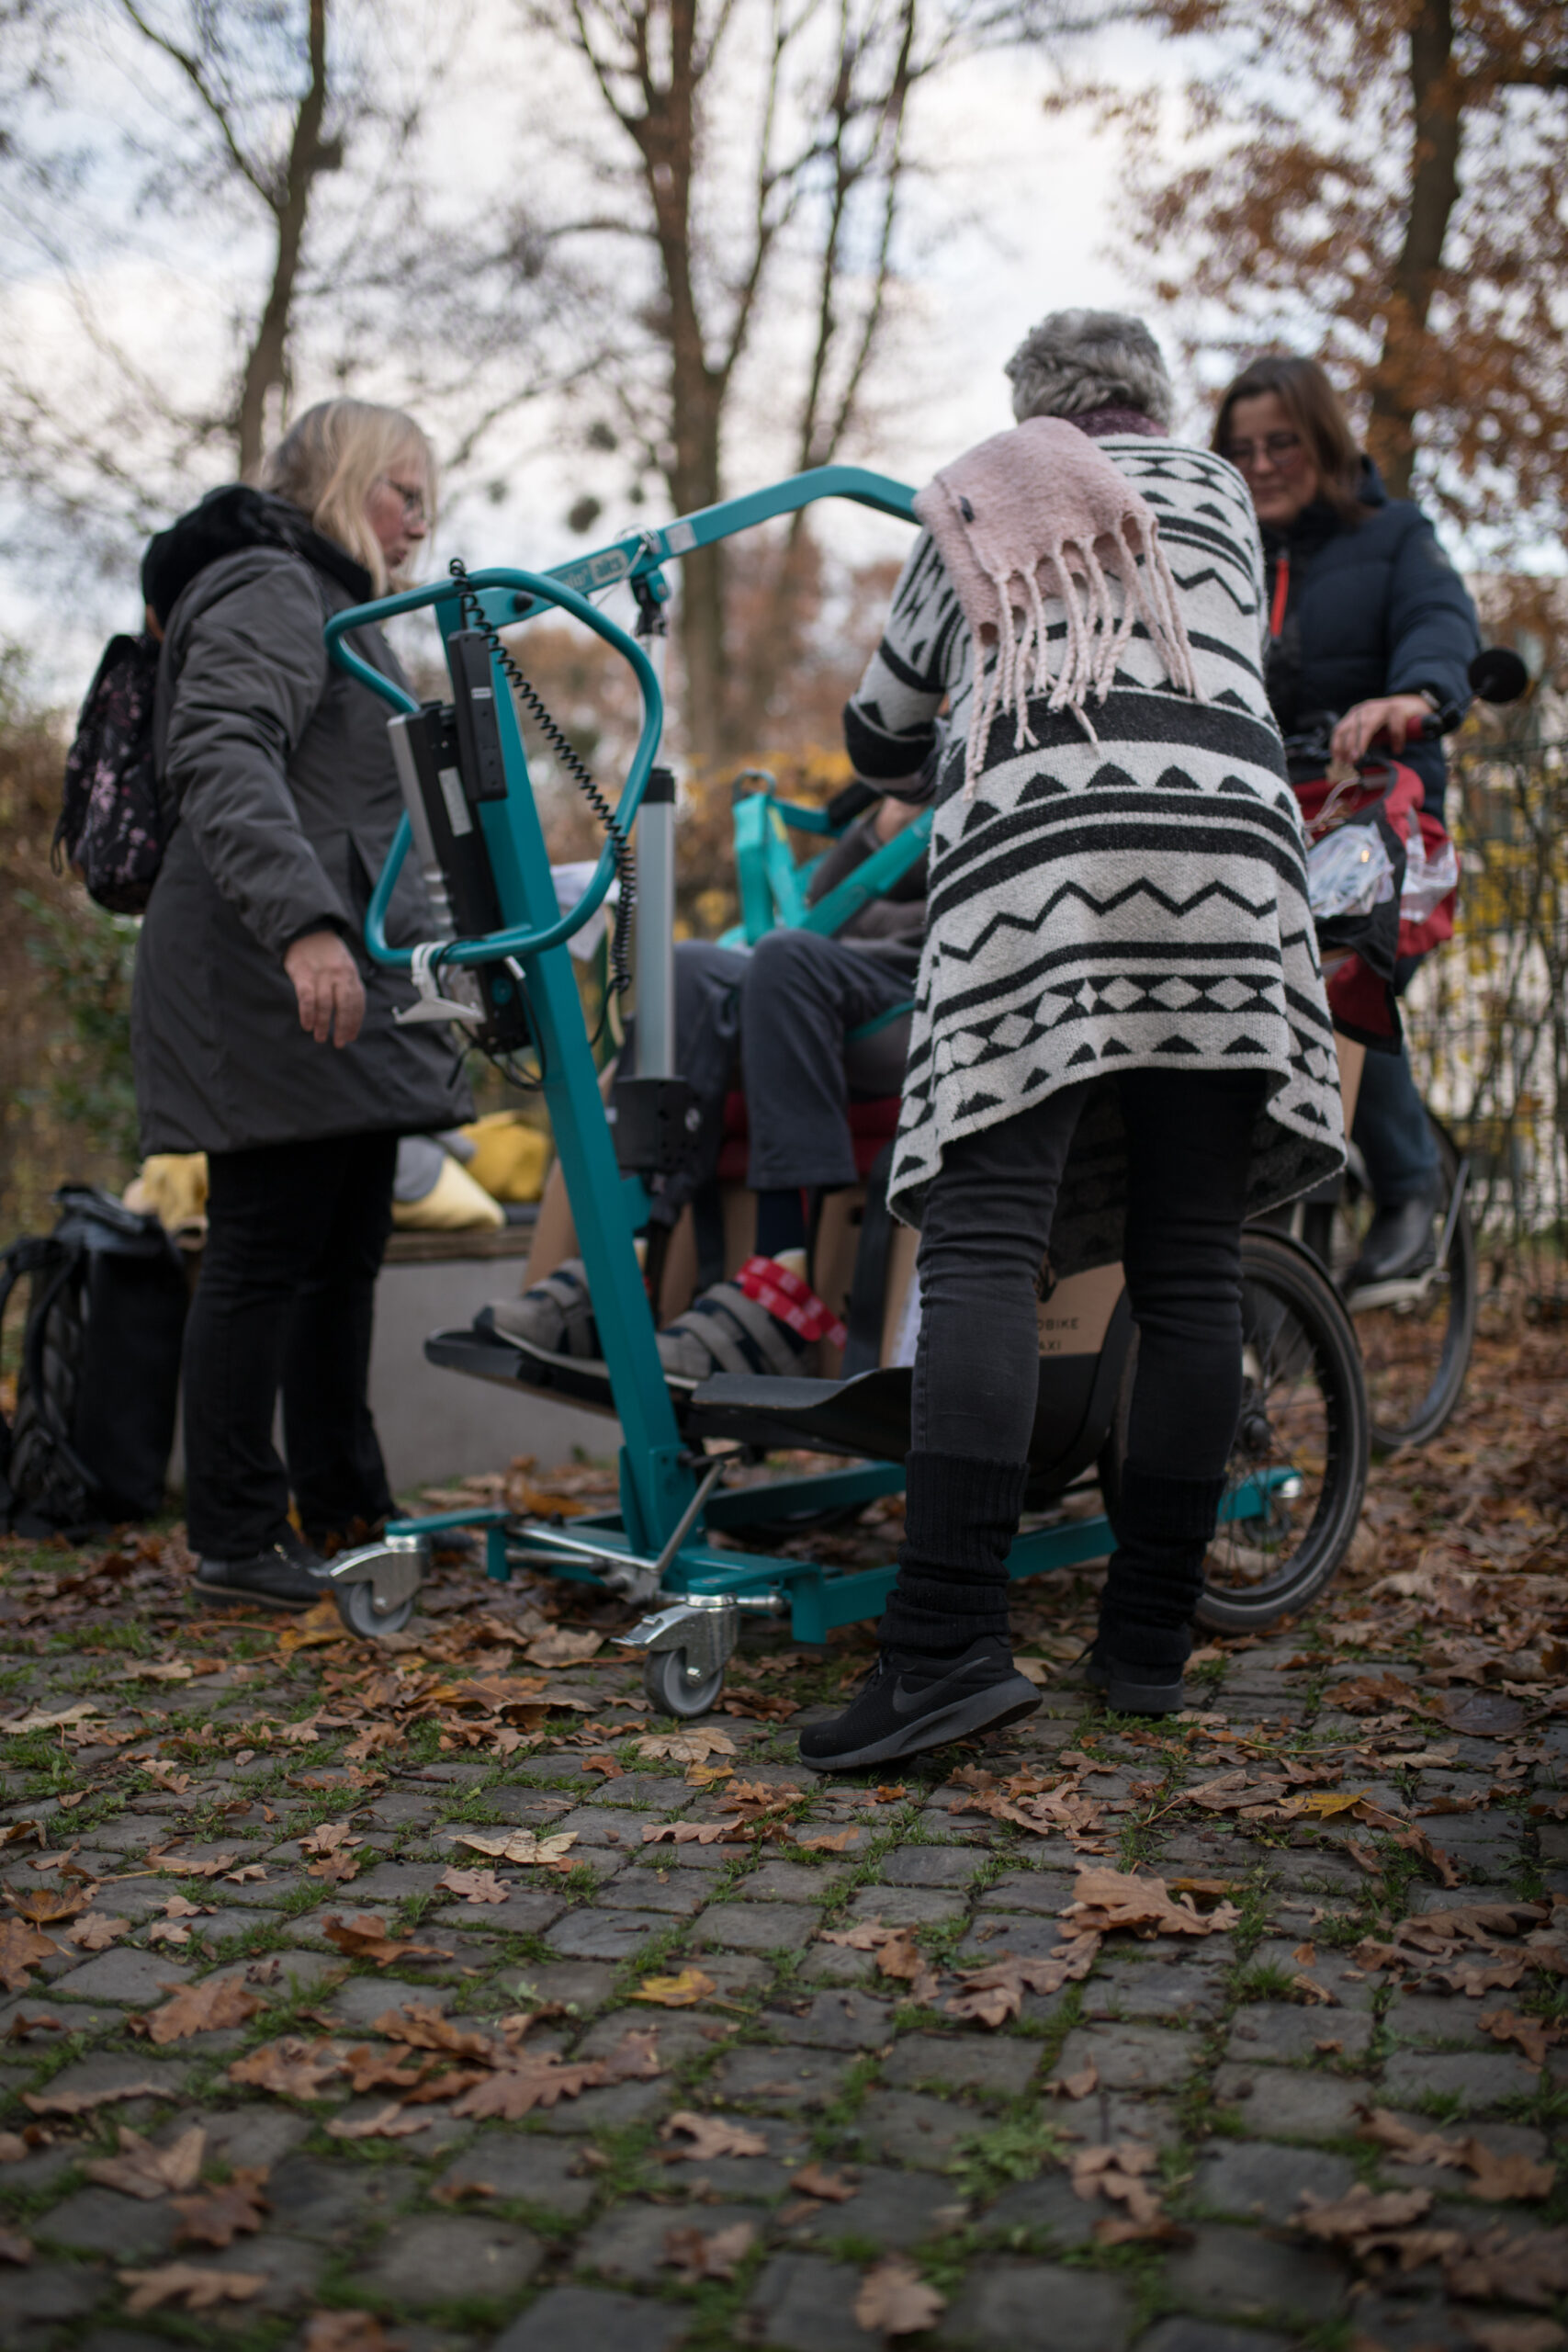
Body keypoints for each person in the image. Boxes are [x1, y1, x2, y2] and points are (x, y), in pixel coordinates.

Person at [800, 309, 1344, 1770]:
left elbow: (876, 734)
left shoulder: (974, 489)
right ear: (1150, 404)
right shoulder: (1218, 496)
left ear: (1028, 406)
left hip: (1044, 856)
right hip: (1229, 858)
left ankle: (942, 1650)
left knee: (985, 1244)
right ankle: (1146, 1638)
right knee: (1187, 1261)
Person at [132, 398, 472, 1611]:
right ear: (339, 481)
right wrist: (305, 926)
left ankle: (346, 1510)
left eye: (427, 501)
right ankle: (235, 1535)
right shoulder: (271, 585)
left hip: (336, 958)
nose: (418, 523)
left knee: (342, 1251)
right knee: (268, 1245)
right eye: (402, 492)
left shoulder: (339, 602)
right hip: (268, 962)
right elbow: (222, 752)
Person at [489, 789, 929, 1379]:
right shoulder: (919, 769)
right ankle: (626, 1267)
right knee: (686, 968)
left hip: (928, 981)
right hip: (838, 971)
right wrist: (881, 828)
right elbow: (825, 899)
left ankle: (783, 1286)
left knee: (786, 960)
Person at [1212, 355, 1479, 1283]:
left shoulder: (1397, 535)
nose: (1260, 465)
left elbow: (1441, 625)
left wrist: (1413, 696)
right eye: (1241, 449)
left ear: (1324, 442)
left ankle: (1409, 1184)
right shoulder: (1216, 557)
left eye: (1281, 443)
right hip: (1257, 822)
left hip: (1372, 815)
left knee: (1331, 956)